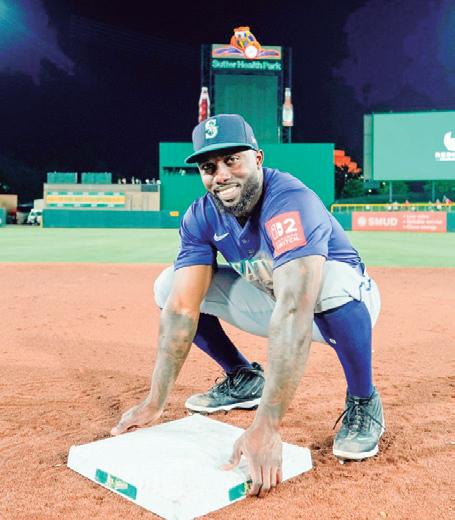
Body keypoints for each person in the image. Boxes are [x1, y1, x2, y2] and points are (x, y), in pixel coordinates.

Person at [111, 114, 385, 497]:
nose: (221, 175)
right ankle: (243, 376)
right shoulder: (201, 215)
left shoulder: (289, 200)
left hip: (342, 304)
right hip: (272, 301)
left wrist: (267, 425)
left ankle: (363, 399)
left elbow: (295, 308)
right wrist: (154, 402)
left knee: (329, 284)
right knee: (169, 286)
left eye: (232, 160)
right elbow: (182, 309)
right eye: (209, 167)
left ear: (257, 158)